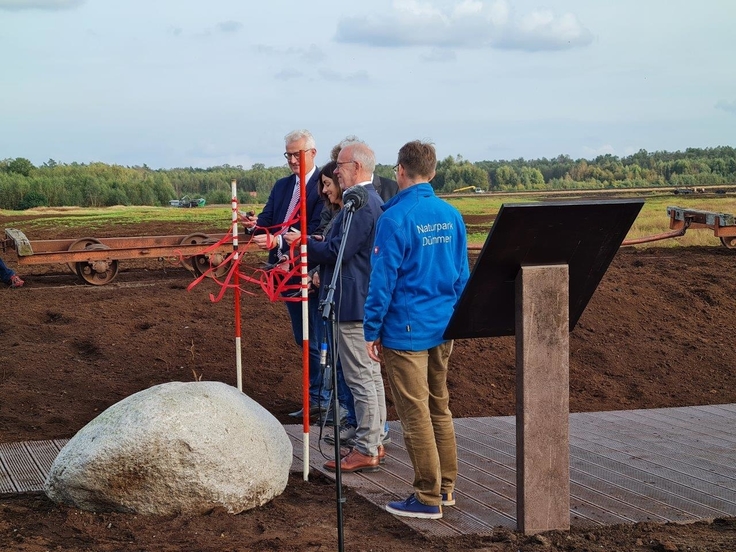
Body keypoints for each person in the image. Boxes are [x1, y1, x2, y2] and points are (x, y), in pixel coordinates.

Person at [363, 140, 469, 519]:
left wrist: (371, 328)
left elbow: (383, 280)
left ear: (400, 171)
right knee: (440, 407)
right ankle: (447, 489)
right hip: (444, 326)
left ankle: (427, 497)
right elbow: (462, 276)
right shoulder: (451, 214)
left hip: (406, 332)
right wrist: (455, 316)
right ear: (434, 172)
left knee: (415, 415)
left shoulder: (394, 218)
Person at [289, 141, 387, 473]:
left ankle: (367, 446)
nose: (337, 171)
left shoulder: (360, 204)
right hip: (356, 299)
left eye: (341, 166)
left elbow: (339, 251)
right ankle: (373, 440)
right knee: (369, 376)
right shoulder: (367, 201)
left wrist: (304, 248)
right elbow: (337, 246)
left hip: (351, 302)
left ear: (357, 167)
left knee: (361, 377)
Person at [240, 129, 329, 419]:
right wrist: (252, 226)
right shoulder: (281, 187)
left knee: (314, 336)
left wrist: (278, 241)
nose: (292, 159)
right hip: (282, 274)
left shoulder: (324, 186)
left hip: (310, 273)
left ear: (312, 154)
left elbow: (318, 231)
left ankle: (321, 398)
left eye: (297, 154)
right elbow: (267, 222)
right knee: (301, 336)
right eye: (288, 154)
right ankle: (316, 396)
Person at [331, 137, 398, 203]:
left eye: (340, 165)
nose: (335, 171)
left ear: (356, 166)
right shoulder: (340, 192)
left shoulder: (393, 189)